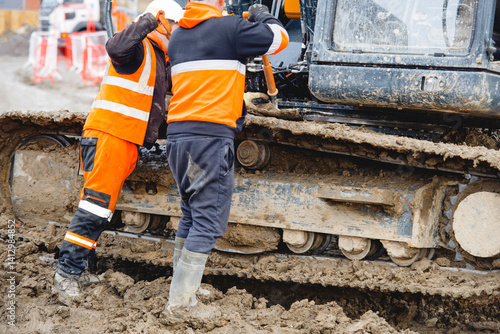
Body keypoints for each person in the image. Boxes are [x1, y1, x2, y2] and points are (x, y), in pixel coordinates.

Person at [53, 0, 183, 301]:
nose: (178, 32)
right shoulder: (138, 49)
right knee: (95, 207)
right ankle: (66, 273)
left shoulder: (159, 58)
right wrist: (149, 20)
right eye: (175, 25)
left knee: (102, 209)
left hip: (123, 140)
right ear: (163, 22)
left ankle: (80, 268)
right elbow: (115, 47)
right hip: (109, 136)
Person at [166, 0, 289, 308]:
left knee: (191, 214)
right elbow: (280, 39)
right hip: (209, 137)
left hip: (179, 137)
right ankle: (180, 305)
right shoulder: (229, 28)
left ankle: (181, 291)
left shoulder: (178, 35)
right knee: (208, 222)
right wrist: (262, 15)